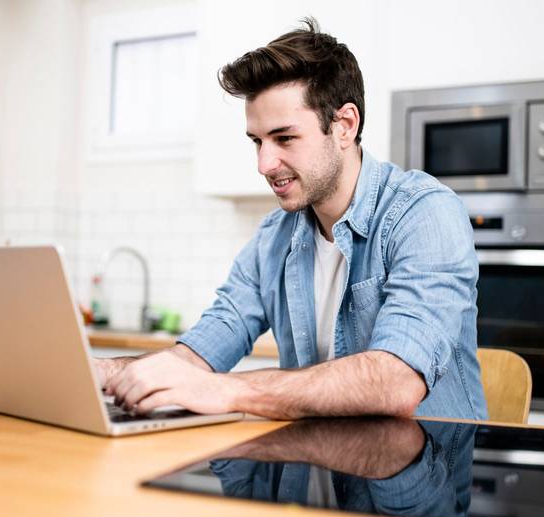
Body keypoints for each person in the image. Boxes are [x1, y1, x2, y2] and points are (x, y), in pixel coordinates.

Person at [97, 18, 487, 421]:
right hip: (308, 467)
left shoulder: (425, 214)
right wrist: (100, 373)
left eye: (284, 138)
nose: (265, 164)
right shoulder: (273, 237)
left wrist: (224, 391)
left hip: (420, 472)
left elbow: (396, 381)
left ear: (344, 126)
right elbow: (197, 356)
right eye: (257, 142)